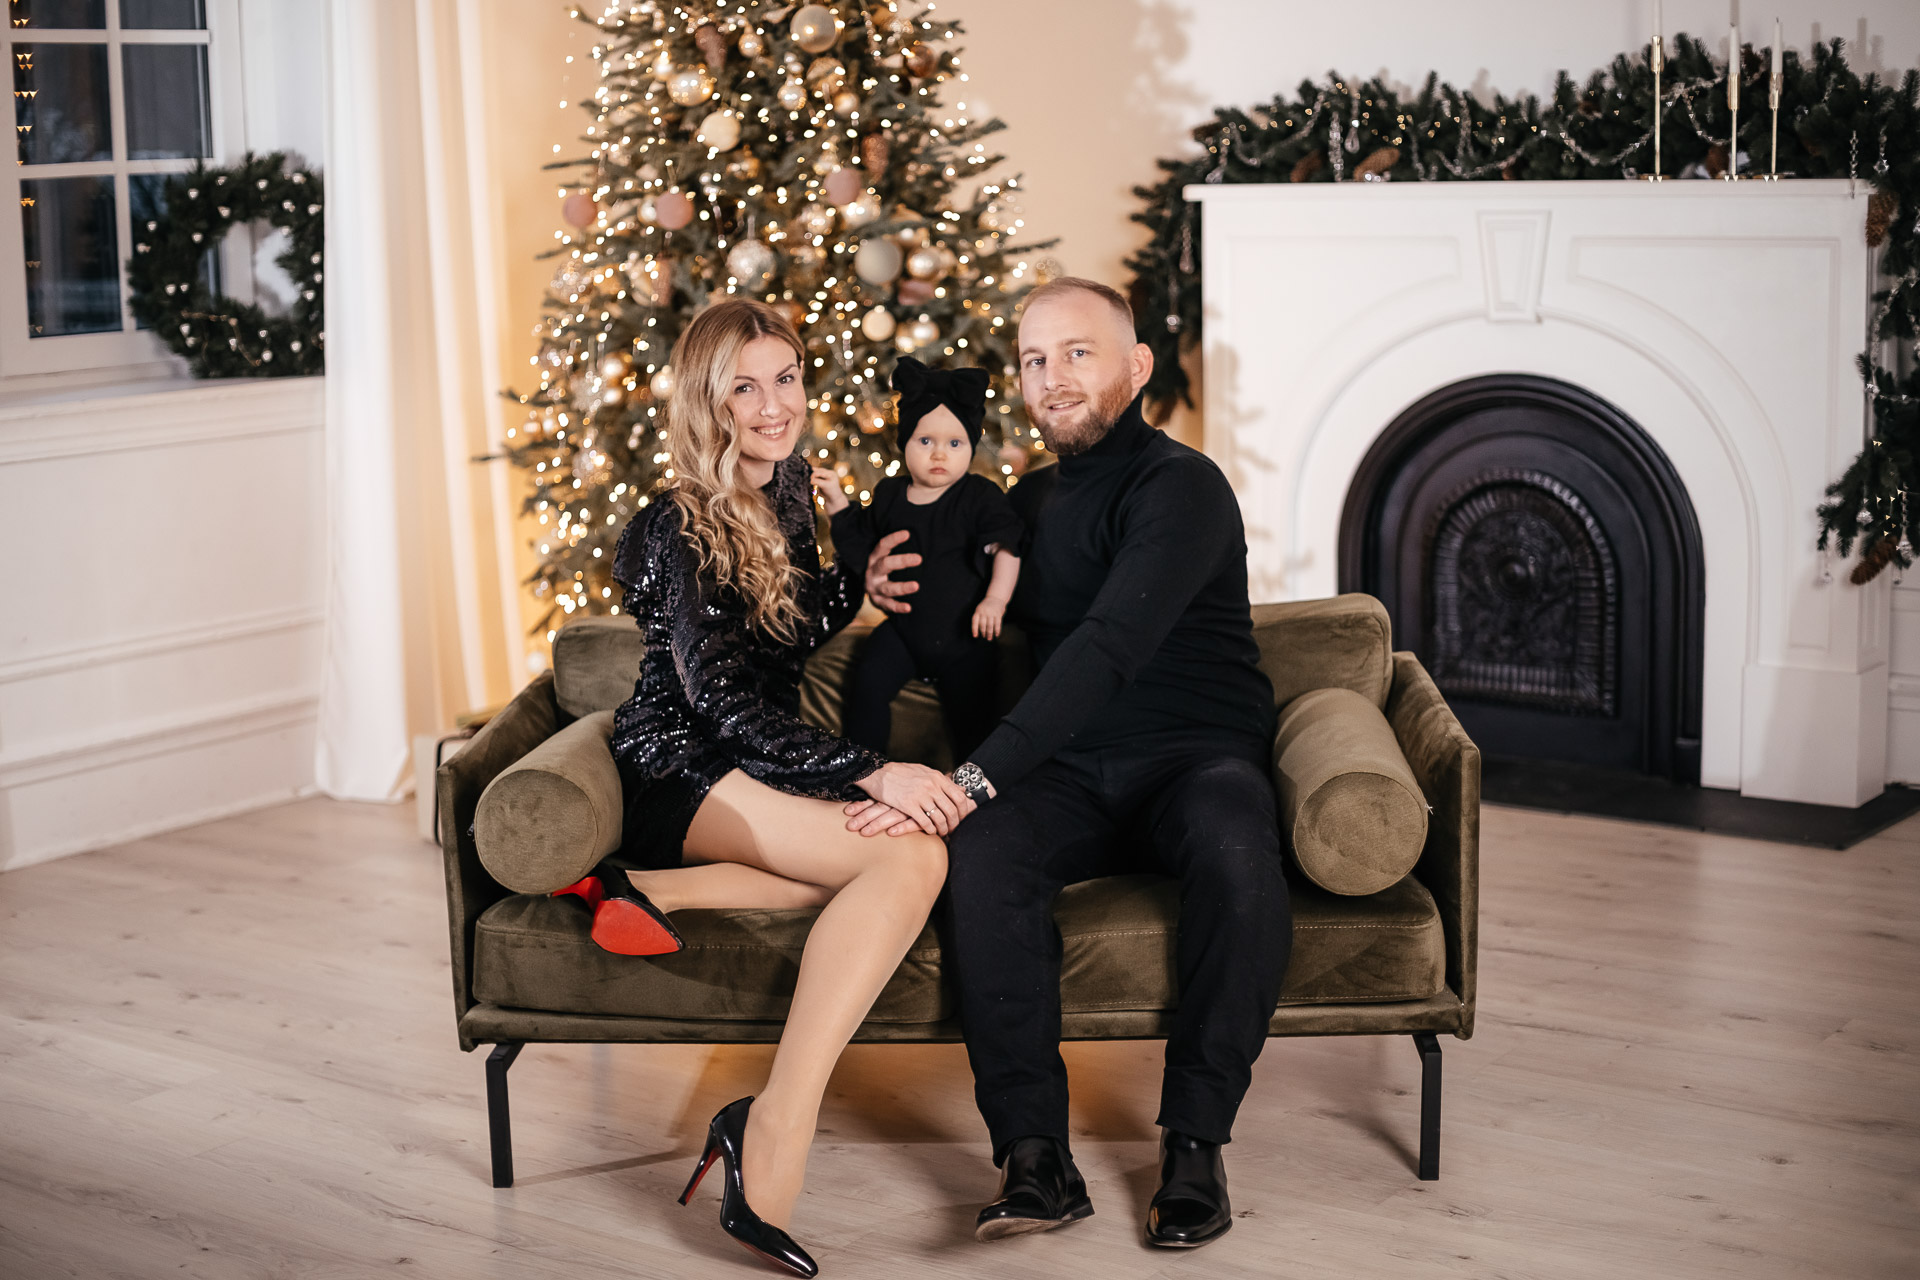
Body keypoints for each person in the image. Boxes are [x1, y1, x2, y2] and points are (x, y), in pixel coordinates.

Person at [850, 278, 1292, 1250]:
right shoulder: (1026, 504)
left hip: (1195, 757)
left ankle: (1195, 1143)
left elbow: (1107, 648)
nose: (1051, 378)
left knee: (1237, 853)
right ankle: (1035, 1157)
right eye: (1033, 359)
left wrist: (972, 777)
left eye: (1077, 353)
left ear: (1137, 366)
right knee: (982, 856)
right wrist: (870, 579)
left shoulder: (1182, 487)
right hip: (1070, 769)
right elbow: (944, 589)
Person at [581, 299, 973, 1278]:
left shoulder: (789, 489)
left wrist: (856, 579)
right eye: (745, 387)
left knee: (887, 866)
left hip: (749, 764)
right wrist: (870, 768)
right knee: (909, 854)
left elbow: (784, 632)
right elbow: (720, 701)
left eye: (786, 378)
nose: (774, 405)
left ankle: (643, 893)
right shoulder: (676, 523)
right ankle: (777, 1124)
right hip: (680, 765)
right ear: (707, 402)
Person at [817, 356, 1024, 763]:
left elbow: (1007, 548)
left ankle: (971, 786)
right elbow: (862, 542)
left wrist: (995, 600)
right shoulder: (890, 495)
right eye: (925, 441)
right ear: (905, 442)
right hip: (905, 633)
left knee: (975, 719)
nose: (939, 454)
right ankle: (864, 768)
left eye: (954, 443)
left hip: (965, 637)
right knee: (868, 684)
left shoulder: (978, 497)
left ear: (970, 446)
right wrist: (838, 503)